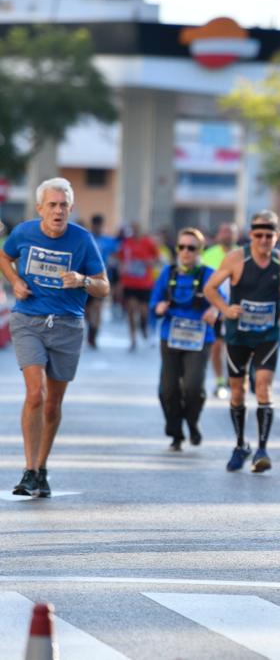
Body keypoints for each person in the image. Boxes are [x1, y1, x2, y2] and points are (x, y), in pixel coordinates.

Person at [1, 178, 110, 497]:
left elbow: (104, 287)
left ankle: (42, 467)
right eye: (52, 205)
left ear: (71, 209)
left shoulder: (83, 240)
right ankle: (29, 469)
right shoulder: (23, 232)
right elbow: (4, 257)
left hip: (67, 326)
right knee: (36, 393)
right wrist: (15, 281)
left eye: (63, 205)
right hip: (28, 320)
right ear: (40, 209)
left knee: (52, 405)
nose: (58, 210)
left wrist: (83, 280)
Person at [203, 211, 280, 473]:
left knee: (264, 387)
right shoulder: (236, 259)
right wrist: (224, 308)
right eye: (259, 235)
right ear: (251, 236)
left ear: (276, 236)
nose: (264, 240)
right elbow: (210, 288)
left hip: (268, 333)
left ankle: (262, 449)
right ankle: (241, 444)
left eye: (270, 235)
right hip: (238, 334)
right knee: (237, 390)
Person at [150, 228, 220, 451]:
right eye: (182, 247)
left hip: (199, 339)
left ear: (200, 250)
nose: (186, 252)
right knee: (168, 389)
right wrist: (158, 307)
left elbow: (221, 300)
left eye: (192, 248)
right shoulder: (168, 273)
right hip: (171, 336)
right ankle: (176, 432)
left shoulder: (209, 274)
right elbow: (154, 303)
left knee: (193, 387)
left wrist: (215, 311)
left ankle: (192, 421)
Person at [202, 222, 239, 400]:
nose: (227, 235)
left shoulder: (243, 254)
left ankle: (236, 379)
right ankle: (219, 381)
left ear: (236, 236)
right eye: (224, 232)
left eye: (230, 233)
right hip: (215, 307)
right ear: (218, 235)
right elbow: (205, 284)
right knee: (217, 347)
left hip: (238, 308)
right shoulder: (208, 255)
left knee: (236, 348)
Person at [116, 223, 159, 351]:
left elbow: (157, 259)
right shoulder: (126, 243)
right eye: (133, 230)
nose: (135, 232)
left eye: (137, 230)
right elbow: (121, 260)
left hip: (145, 283)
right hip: (129, 283)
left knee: (143, 311)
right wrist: (120, 279)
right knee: (130, 310)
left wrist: (148, 262)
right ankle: (133, 339)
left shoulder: (148, 243)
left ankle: (143, 325)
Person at [85, 214, 118, 349]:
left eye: (100, 225)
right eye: (95, 225)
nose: (98, 228)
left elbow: (117, 257)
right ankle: (90, 327)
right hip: (85, 279)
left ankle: (94, 335)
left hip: (101, 280)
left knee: (97, 308)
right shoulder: (86, 238)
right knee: (87, 310)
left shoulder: (109, 241)